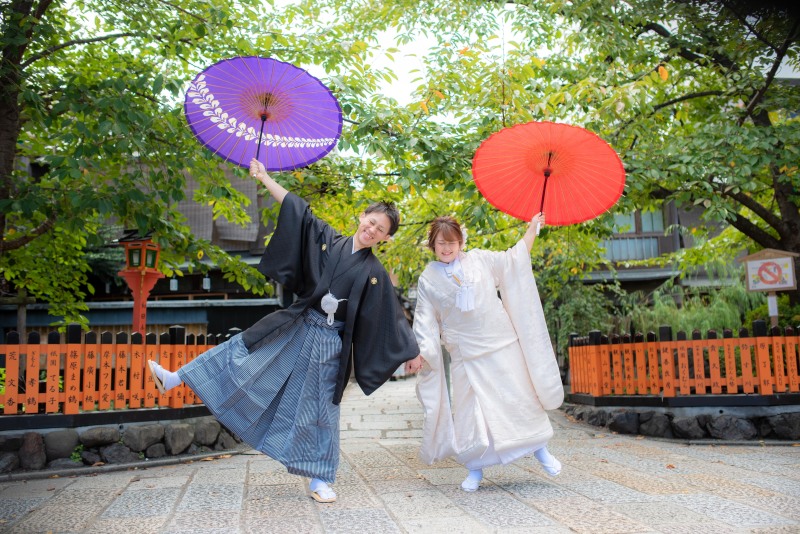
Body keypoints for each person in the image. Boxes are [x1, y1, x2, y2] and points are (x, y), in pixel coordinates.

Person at [149, 158, 419, 503]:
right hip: (297, 326)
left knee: (319, 408)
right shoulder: (327, 238)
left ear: (386, 238)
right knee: (245, 352)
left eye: (381, 230)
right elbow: (298, 210)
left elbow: (390, 315)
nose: (372, 230)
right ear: (361, 216)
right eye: (372, 221)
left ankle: (320, 477)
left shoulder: (374, 271)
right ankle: (175, 378)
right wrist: (263, 177)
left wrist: (411, 352)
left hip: (327, 342)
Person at [404, 214, 564, 492]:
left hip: (500, 343)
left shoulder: (480, 260)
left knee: (519, 399)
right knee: (470, 413)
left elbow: (514, 260)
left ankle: (541, 450)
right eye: (441, 243)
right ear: (432, 244)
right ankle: (475, 468)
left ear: (461, 241)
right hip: (465, 352)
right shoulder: (427, 279)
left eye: (452, 243)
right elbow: (424, 320)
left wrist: (532, 230)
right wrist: (420, 353)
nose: (447, 248)